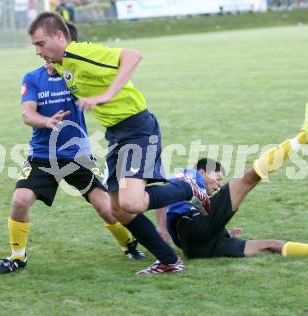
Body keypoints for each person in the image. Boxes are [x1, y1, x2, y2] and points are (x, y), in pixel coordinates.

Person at [27, 12, 211, 275]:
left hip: (137, 128)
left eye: (41, 44)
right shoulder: (60, 64)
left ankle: (186, 186)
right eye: (35, 46)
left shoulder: (79, 52)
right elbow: (56, 73)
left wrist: (107, 94)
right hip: (115, 135)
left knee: (133, 203)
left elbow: (133, 55)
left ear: (59, 36)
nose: (37, 51)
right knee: (118, 210)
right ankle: (169, 261)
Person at [0, 22, 146, 275]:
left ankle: (128, 244)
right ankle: (17, 256)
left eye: (43, 47)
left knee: (106, 208)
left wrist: (106, 96)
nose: (43, 55)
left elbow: (110, 72)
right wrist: (46, 121)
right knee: (20, 201)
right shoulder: (32, 78)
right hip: (42, 154)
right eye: (40, 49)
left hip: (79, 154)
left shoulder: (75, 74)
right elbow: (27, 114)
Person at [156, 104, 308, 259]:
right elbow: (165, 191)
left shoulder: (199, 198)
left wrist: (221, 230)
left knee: (269, 245)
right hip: (192, 231)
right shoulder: (190, 175)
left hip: (196, 249)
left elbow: (194, 217)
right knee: (249, 179)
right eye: (217, 178)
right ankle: (303, 138)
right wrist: (162, 228)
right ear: (203, 171)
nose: (219, 185)